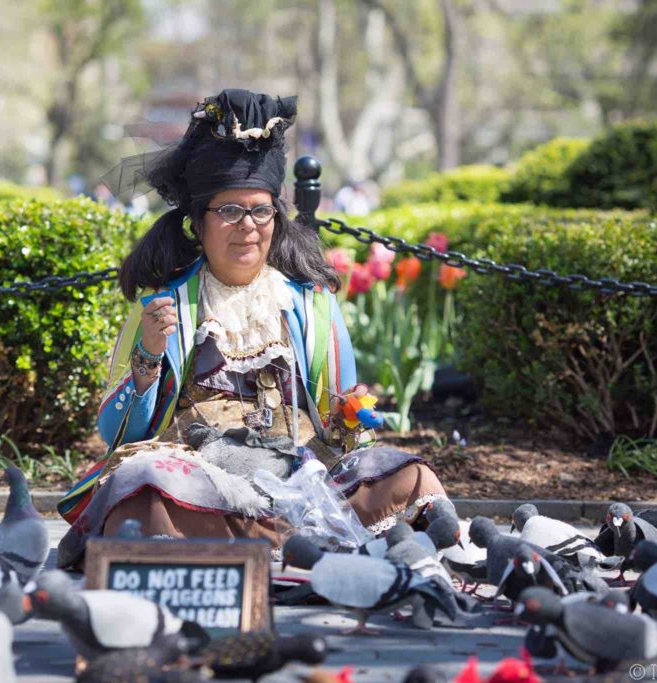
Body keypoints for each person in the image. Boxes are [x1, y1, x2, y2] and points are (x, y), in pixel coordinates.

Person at [56, 89, 446, 568]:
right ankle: (306, 548)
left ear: (275, 220)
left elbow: (346, 428)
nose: (248, 226)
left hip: (302, 478)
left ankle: (265, 545)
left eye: (261, 210)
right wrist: (150, 356)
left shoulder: (311, 304)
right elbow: (115, 434)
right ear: (198, 224)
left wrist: (351, 419)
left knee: (410, 476)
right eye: (229, 211)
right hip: (204, 482)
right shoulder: (166, 304)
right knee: (142, 488)